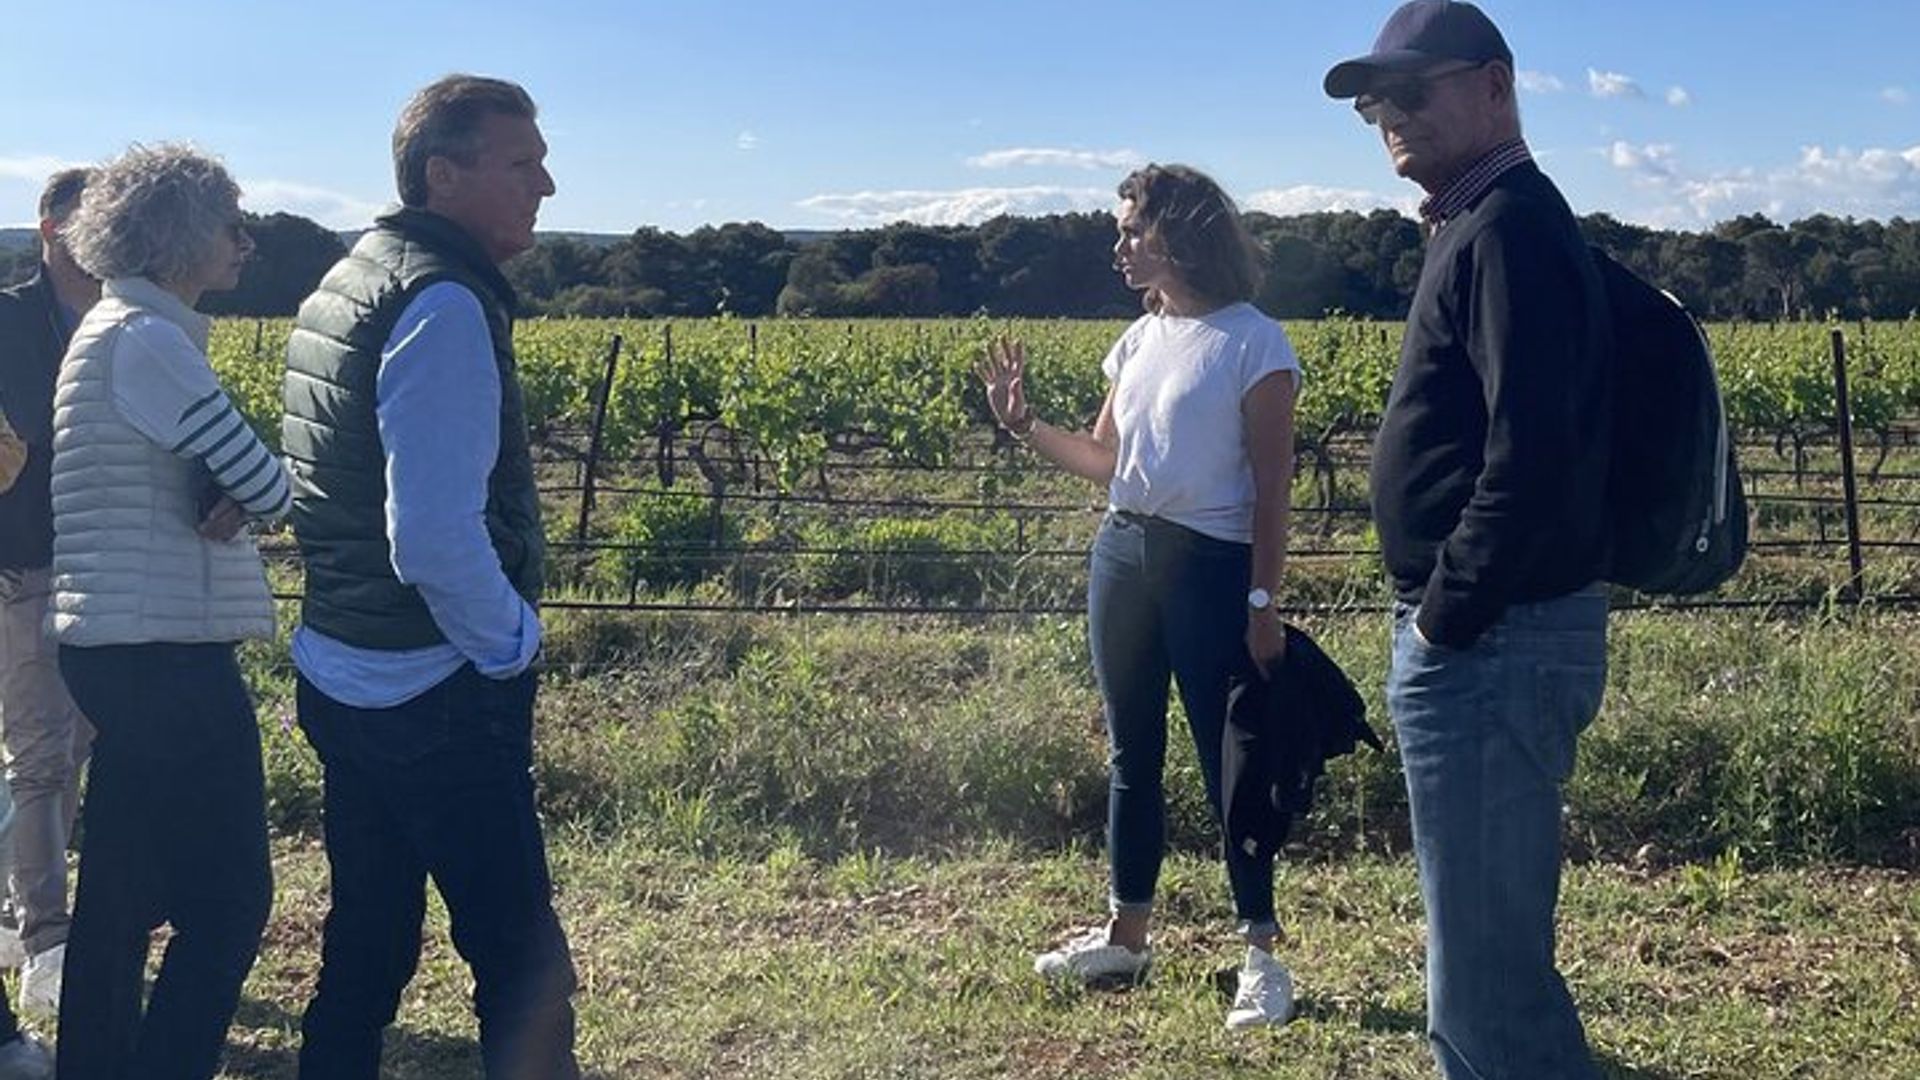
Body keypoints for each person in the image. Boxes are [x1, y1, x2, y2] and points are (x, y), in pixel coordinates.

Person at [1325, 3, 1613, 1077]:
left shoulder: (1507, 228)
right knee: (1484, 965)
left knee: (1487, 993)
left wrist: (1447, 616)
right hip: (1493, 638)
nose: (1389, 114)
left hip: (1492, 641)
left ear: (1494, 86)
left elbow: (1532, 453)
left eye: (1412, 89)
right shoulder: (1480, 222)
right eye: (1373, 102)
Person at [281, 75, 576, 1079]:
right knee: (522, 960)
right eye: (520, 163)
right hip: (430, 685)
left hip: (342, 663)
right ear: (443, 175)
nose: (546, 183)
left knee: (368, 935)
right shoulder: (441, 301)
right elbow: (436, 538)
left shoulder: (351, 277)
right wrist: (510, 643)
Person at [977, 163, 1302, 1030]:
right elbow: (1107, 461)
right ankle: (1126, 935)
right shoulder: (1139, 339)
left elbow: (1275, 491)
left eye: (1131, 228)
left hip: (1211, 567)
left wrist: (1263, 604)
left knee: (1229, 765)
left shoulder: (1255, 343)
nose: (1118, 244)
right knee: (1132, 754)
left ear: (1180, 233)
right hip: (1122, 555)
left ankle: (1262, 957)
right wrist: (1024, 425)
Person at [48, 144, 286, 1080]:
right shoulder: (151, 343)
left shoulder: (112, 332)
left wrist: (222, 483)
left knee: (117, 892)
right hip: (166, 650)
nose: (244, 239)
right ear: (184, 234)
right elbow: (265, 486)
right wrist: (261, 485)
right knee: (231, 898)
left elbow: (207, 474)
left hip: (114, 637)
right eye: (232, 222)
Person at [0, 169, 97, 1031]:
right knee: (39, 757)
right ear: (49, 229)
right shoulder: (5, 318)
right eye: (84, 218)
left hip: (102, 565)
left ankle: (12, 909)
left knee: (71, 753)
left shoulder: (124, 317)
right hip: (21, 564)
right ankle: (48, 943)